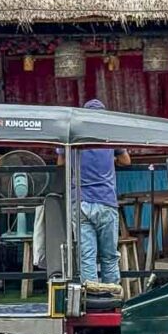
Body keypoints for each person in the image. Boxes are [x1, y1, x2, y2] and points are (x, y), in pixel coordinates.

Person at [57, 99, 131, 295]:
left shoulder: (73, 133)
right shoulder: (110, 133)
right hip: (106, 201)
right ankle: (112, 297)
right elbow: (126, 160)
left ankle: (91, 298)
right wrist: (111, 158)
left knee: (87, 256)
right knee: (109, 256)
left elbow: (60, 161)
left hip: (80, 202)